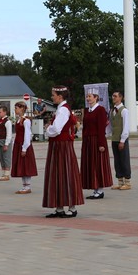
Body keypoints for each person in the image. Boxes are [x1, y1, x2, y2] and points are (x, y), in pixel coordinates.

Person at [42, 86, 83, 218]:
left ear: (60, 96)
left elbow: (56, 129)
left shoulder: (63, 110)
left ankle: (72, 207)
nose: (52, 97)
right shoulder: (61, 109)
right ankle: (59, 207)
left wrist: (47, 129)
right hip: (58, 145)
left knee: (66, 173)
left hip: (62, 146)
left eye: (53, 95)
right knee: (58, 174)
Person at [81, 90, 113, 199]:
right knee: (91, 164)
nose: (88, 99)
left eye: (90, 96)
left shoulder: (100, 110)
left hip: (96, 140)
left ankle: (99, 190)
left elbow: (101, 128)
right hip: (88, 141)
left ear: (96, 97)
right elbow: (85, 127)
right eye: (87, 97)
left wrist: (101, 143)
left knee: (98, 164)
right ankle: (95, 188)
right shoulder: (87, 110)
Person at [11, 101, 37, 194]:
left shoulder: (26, 121)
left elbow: (27, 135)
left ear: (22, 108)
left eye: (16, 108)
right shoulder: (19, 120)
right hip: (18, 144)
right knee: (21, 165)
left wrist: (24, 148)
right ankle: (24, 185)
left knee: (26, 165)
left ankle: (27, 186)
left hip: (24, 145)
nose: (15, 110)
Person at [110, 91, 132, 190]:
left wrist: (122, 140)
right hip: (114, 139)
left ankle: (127, 182)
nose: (113, 98)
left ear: (120, 98)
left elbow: (126, 126)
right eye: (113, 96)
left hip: (121, 139)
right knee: (117, 161)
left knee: (124, 160)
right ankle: (120, 181)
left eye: (115, 96)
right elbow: (111, 125)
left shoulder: (124, 111)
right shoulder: (112, 111)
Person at [0, 105, 13, 181]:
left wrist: (6, 144)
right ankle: (3, 173)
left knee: (6, 157)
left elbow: (9, 134)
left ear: (5, 112)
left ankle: (7, 174)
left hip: (5, 141)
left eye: (0, 112)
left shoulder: (7, 122)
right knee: (1, 158)